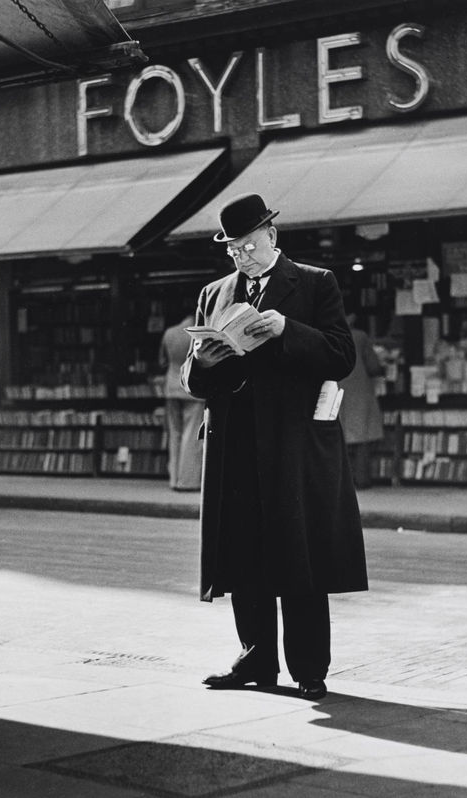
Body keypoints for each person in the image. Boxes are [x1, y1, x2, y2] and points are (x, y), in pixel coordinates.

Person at [181, 193, 368, 701]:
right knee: (244, 552)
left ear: (271, 237)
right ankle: (254, 660)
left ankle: (309, 668)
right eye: (232, 250)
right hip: (236, 442)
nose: (240, 256)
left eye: (247, 246)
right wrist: (206, 360)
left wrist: (289, 329)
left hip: (293, 443)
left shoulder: (313, 283)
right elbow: (193, 381)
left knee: (300, 553)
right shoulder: (214, 293)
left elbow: (341, 354)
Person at [158, 313, 204, 491]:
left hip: (171, 386)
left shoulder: (169, 333)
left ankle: (173, 478)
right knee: (191, 434)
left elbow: (162, 360)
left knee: (175, 433)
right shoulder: (196, 332)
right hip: (191, 387)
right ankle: (187, 480)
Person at [339, 314, 385, 489]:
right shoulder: (360, 336)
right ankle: (362, 480)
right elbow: (373, 366)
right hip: (358, 390)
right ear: (351, 316)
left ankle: (344, 483)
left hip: (334, 391)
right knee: (362, 438)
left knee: (339, 439)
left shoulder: (324, 333)